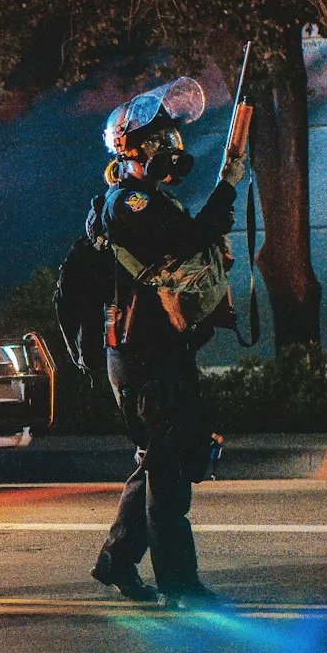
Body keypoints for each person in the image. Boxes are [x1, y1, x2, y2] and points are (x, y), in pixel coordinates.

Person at [87, 76, 240, 608]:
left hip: (157, 352)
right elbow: (186, 239)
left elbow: (190, 245)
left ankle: (116, 562)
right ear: (133, 149)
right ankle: (180, 586)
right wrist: (225, 187)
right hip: (142, 354)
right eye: (158, 140)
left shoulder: (152, 199)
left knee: (156, 461)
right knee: (169, 473)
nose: (169, 148)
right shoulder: (128, 202)